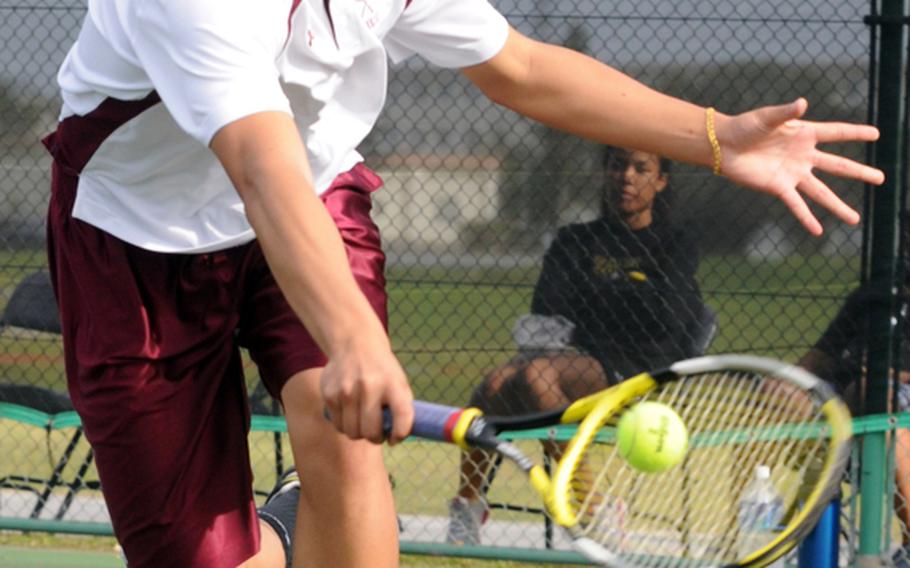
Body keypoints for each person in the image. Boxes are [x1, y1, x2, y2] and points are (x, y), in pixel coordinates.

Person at [42, 1, 884, 567]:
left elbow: (517, 67)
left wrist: (714, 136)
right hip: (135, 240)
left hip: (314, 187)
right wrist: (356, 341)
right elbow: (261, 172)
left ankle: (325, 488)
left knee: (345, 439)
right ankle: (284, 532)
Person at [445, 148, 711, 545]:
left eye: (641, 169)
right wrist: (632, 291)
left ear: (661, 181)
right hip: (573, 360)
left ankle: (594, 509)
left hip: (645, 368)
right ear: (604, 171)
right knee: (495, 384)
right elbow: (546, 309)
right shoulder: (575, 240)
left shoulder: (674, 243)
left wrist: (595, 297)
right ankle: (468, 507)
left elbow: (667, 318)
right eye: (618, 165)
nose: (627, 177)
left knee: (537, 375)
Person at [797, 225, 910, 567]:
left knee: (880, 403)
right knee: (777, 395)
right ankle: (753, 529)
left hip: (892, 401)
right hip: (841, 395)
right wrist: (783, 381)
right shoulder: (876, 292)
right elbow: (818, 357)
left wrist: (883, 378)